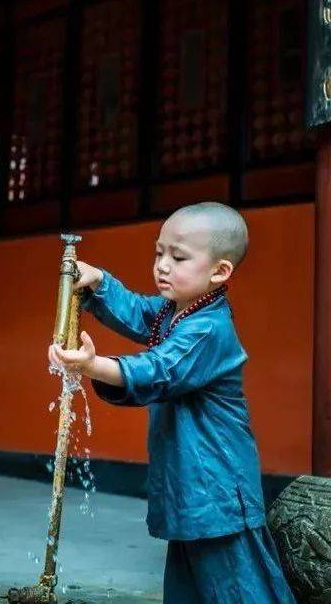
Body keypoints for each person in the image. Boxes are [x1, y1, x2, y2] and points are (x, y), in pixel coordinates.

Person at [48, 202, 295, 603]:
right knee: (189, 587)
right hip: (189, 485)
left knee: (240, 588)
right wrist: (98, 283)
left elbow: (159, 369)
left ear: (220, 271)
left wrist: (94, 365)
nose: (162, 264)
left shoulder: (208, 330)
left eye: (178, 257)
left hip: (216, 485)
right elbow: (139, 313)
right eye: (159, 252)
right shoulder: (176, 312)